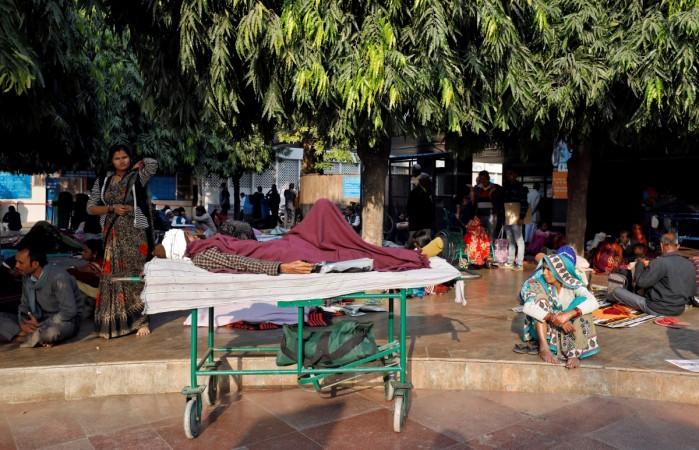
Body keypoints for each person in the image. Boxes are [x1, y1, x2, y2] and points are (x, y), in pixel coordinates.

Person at [87, 144, 158, 338]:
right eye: (117, 158)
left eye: (125, 157)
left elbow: (153, 165)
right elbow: (91, 208)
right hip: (112, 234)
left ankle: (142, 321)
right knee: (113, 277)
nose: (122, 161)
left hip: (135, 234)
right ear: (111, 161)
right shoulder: (103, 181)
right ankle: (114, 323)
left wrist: (140, 164)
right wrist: (111, 209)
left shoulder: (138, 177)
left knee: (136, 275)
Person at [519, 252, 600, 369]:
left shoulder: (572, 284)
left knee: (583, 305)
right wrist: (554, 318)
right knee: (539, 300)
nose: (544, 273)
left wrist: (568, 315)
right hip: (544, 326)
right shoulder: (536, 282)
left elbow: (593, 302)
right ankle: (544, 347)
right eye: (543, 269)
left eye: (548, 270)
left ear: (560, 272)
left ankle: (573, 353)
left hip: (565, 325)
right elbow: (528, 307)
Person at [0, 247, 82, 347]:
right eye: (16, 262)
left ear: (35, 264)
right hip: (38, 319)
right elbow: (24, 305)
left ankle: (24, 336)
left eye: (20, 263)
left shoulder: (59, 277)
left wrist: (41, 325)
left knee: (51, 333)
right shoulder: (26, 277)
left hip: (63, 321)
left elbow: (69, 311)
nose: (16, 266)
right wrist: (23, 323)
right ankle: (29, 335)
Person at [610, 232, 696, 316]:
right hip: (679, 309)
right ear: (678, 246)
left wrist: (640, 263)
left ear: (662, 246)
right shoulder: (689, 264)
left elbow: (641, 282)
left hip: (656, 308)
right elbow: (691, 292)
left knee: (616, 291)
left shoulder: (660, 262)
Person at [501, 170, 528, 271]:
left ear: (516, 175)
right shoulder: (506, 187)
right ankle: (510, 261)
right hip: (507, 216)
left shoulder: (521, 187)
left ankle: (520, 263)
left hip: (516, 217)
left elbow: (524, 203)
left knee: (519, 240)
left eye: (512, 174)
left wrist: (521, 217)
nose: (510, 176)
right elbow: (503, 203)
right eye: (509, 174)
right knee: (510, 240)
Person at [471, 170, 501, 240]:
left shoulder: (495, 187)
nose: (483, 181)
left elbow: (498, 201)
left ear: (488, 178)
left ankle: (491, 249)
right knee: (479, 233)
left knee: (491, 233)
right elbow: (474, 201)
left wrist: (491, 194)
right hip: (479, 215)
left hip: (491, 215)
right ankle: (482, 249)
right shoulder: (477, 188)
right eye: (481, 179)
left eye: (484, 179)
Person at [407, 173, 434, 240]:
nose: (429, 183)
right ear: (423, 181)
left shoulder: (426, 192)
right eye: (428, 181)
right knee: (416, 242)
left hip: (422, 223)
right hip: (419, 224)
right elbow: (411, 207)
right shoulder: (416, 192)